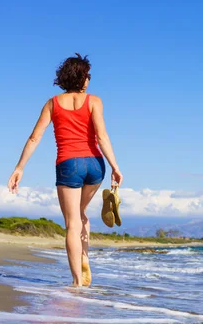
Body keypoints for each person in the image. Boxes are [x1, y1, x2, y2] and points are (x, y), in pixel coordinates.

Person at [7, 53, 123, 287]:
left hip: (69, 165)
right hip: (95, 165)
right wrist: (115, 166)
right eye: (87, 75)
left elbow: (34, 138)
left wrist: (19, 168)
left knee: (72, 223)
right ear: (82, 78)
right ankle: (84, 256)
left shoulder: (52, 103)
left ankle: (77, 282)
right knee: (81, 214)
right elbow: (101, 136)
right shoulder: (94, 101)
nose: (89, 79)